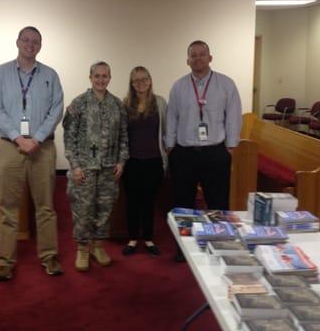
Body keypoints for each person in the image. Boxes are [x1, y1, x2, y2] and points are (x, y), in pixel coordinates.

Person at [0, 26, 64, 281]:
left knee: (45, 207)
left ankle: (49, 255)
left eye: (35, 41)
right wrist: (18, 138)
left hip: (42, 149)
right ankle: (6, 261)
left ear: (40, 46)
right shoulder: (0, 73)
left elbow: (56, 109)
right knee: (8, 208)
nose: (30, 44)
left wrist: (37, 138)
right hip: (9, 147)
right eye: (26, 40)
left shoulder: (50, 75)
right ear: (17, 42)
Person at [166, 40, 242, 261]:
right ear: (187, 60)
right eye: (193, 55)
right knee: (183, 204)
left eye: (202, 54)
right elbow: (172, 117)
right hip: (184, 153)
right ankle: (184, 249)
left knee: (218, 202)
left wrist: (231, 146)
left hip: (215, 152)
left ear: (210, 58)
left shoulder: (226, 84)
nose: (198, 59)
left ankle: (219, 246)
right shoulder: (179, 86)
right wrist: (170, 145)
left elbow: (234, 116)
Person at [63, 61, 129, 272]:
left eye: (105, 76)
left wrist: (121, 160)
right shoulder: (79, 103)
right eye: (97, 76)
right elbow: (69, 137)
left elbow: (124, 136)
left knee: (105, 209)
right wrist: (74, 165)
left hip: (109, 167)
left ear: (110, 78)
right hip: (85, 168)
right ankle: (83, 249)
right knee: (83, 209)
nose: (101, 80)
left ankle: (98, 246)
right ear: (90, 78)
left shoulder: (118, 105)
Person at [121, 66, 167, 257]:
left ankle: (148, 238)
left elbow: (167, 131)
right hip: (131, 162)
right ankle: (132, 239)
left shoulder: (160, 102)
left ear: (150, 80)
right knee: (132, 201)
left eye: (144, 79)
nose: (140, 83)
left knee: (149, 201)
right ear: (131, 84)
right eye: (136, 80)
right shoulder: (124, 104)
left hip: (154, 161)